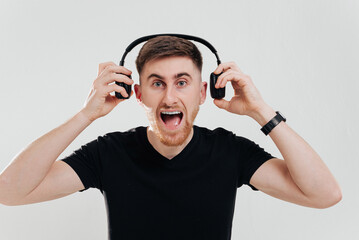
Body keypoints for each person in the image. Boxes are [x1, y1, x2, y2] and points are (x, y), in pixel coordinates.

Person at [0, 36, 341, 239]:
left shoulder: (230, 152)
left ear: (203, 92)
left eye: (182, 82)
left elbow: (325, 195)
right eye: (157, 83)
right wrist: (87, 114)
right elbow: (10, 192)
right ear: (138, 93)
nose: (169, 98)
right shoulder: (109, 153)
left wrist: (260, 110)